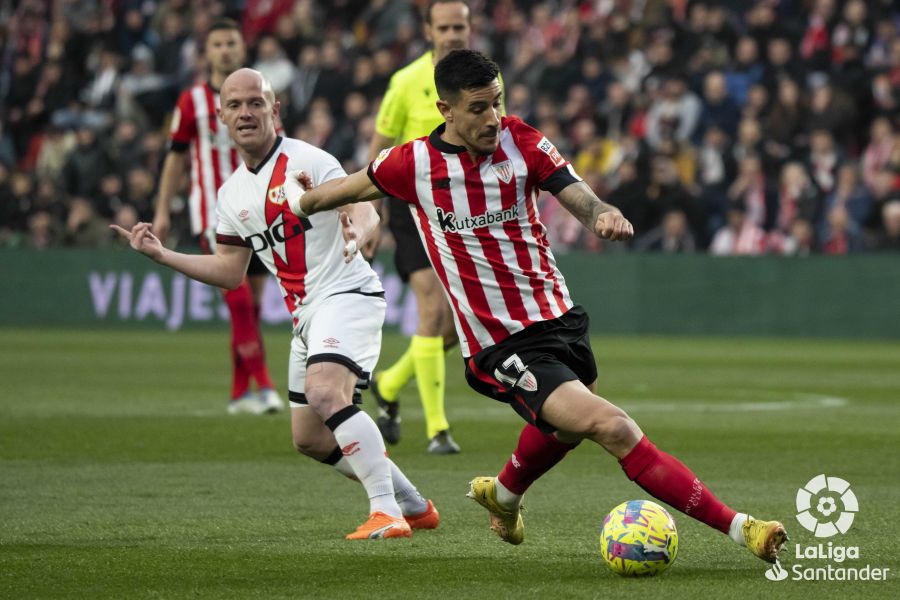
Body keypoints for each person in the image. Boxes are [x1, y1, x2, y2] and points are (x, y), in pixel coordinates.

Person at [286, 49, 787, 562]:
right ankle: (741, 528)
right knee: (611, 426)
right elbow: (345, 189)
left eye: (497, 103)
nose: (492, 118)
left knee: (565, 427)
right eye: (478, 108)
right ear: (447, 110)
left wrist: (602, 214)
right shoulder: (412, 163)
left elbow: (574, 191)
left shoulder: (520, 139)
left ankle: (502, 495)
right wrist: (300, 201)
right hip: (500, 342)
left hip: (559, 316)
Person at [114, 68, 438, 540]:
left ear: (274, 110)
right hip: (306, 316)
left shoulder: (309, 159)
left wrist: (359, 233)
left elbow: (366, 205)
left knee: (329, 393)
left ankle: (386, 511)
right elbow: (230, 271)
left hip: (347, 295)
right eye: (235, 105)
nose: (246, 112)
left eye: (256, 102)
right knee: (309, 437)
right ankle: (413, 504)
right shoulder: (231, 196)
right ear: (222, 118)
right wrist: (163, 255)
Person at [365, 0, 493, 454]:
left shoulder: (486, 79)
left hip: (464, 212)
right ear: (428, 30)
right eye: (445, 27)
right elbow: (379, 153)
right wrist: (370, 215)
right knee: (433, 311)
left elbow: (493, 142)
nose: (454, 33)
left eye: (460, 25)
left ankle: (390, 384)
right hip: (412, 209)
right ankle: (438, 429)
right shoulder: (405, 82)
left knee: (461, 324)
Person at [152, 18, 282, 415]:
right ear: (207, 52)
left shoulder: (262, 94)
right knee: (238, 298)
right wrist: (161, 211)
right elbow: (174, 160)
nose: (225, 50)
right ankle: (264, 384)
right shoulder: (191, 101)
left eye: (231, 43)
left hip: (258, 208)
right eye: (218, 44)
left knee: (252, 305)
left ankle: (239, 392)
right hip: (213, 211)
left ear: (241, 48)